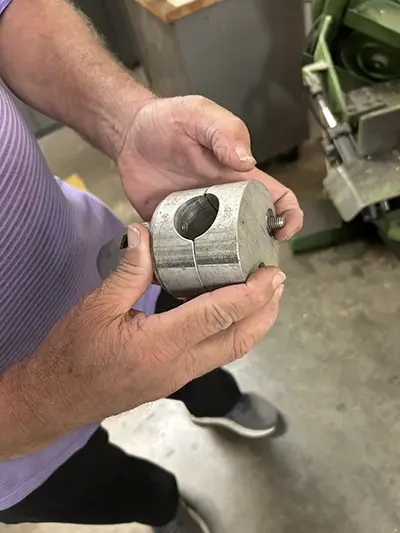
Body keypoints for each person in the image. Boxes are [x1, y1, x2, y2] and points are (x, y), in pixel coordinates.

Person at [0, 1, 303, 532]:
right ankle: (163, 509)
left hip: (106, 267)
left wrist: (124, 118)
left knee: (196, 365)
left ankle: (219, 402)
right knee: (109, 489)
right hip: (13, 452)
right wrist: (35, 403)